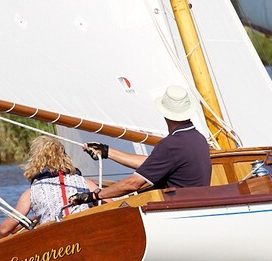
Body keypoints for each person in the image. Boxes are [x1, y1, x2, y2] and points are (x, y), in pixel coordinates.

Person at [69, 85, 211, 206]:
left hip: (175, 211)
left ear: (164, 113)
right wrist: (107, 152)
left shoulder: (171, 145)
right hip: (193, 207)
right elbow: (151, 164)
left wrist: (94, 196)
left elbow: (133, 184)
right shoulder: (198, 139)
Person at [0, 135, 98, 243]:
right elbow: (111, 206)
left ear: (35, 160)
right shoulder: (86, 183)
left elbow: (4, 230)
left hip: (55, 246)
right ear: (64, 157)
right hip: (86, 236)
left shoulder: (31, 193)